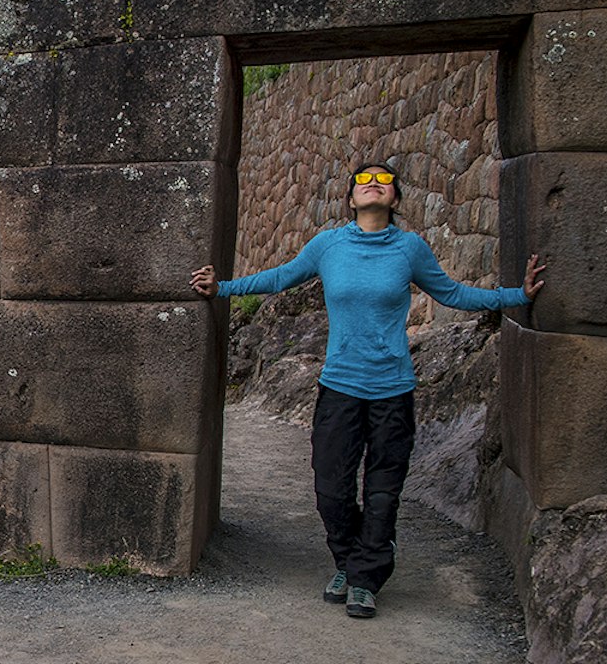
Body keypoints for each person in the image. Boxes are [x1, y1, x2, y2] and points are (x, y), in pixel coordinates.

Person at [189, 163, 545, 619]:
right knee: (330, 488)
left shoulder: (410, 249)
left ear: (394, 199)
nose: (372, 182)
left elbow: (453, 294)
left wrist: (518, 296)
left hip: (392, 390)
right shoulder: (329, 246)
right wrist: (221, 288)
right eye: (362, 180)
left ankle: (363, 578)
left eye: (383, 179)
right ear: (350, 199)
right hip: (339, 387)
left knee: (382, 490)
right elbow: (279, 278)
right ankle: (352, 559)